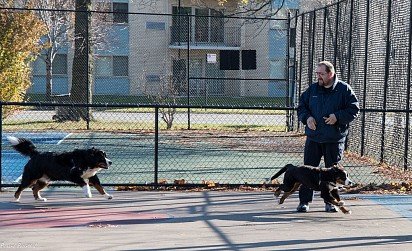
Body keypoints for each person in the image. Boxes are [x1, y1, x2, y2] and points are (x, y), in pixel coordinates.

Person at [296, 61, 360, 213]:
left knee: (333, 174)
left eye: (321, 74)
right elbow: (301, 107)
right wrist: (307, 118)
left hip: (334, 139)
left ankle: (330, 202)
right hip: (314, 138)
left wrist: (337, 117)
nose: (318, 76)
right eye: (317, 73)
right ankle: (304, 202)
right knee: (308, 172)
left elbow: (354, 109)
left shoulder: (343, 90)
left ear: (330, 74)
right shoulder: (312, 89)